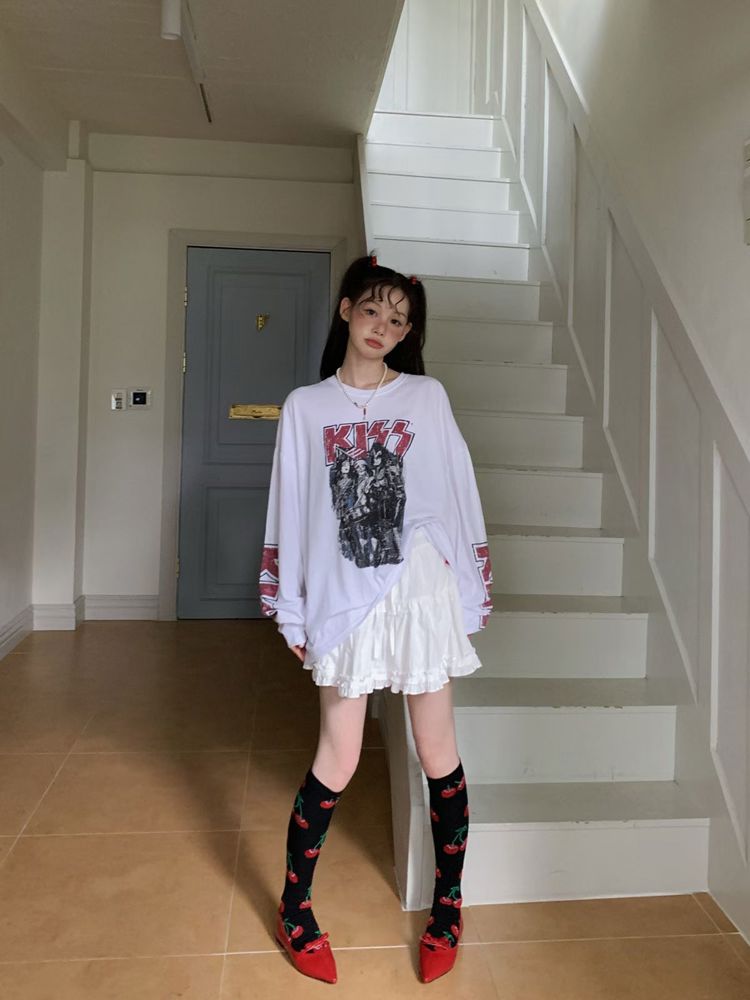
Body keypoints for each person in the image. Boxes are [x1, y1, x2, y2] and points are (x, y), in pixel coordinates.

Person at [259, 254, 493, 984]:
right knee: (339, 755)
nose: (383, 328)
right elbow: (292, 506)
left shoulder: (426, 397)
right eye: (372, 311)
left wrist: (469, 591)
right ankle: (294, 908)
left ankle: (448, 908)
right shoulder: (306, 407)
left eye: (398, 320)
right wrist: (291, 608)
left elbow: (456, 491)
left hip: (419, 591)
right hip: (344, 595)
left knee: (437, 750)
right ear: (346, 310)